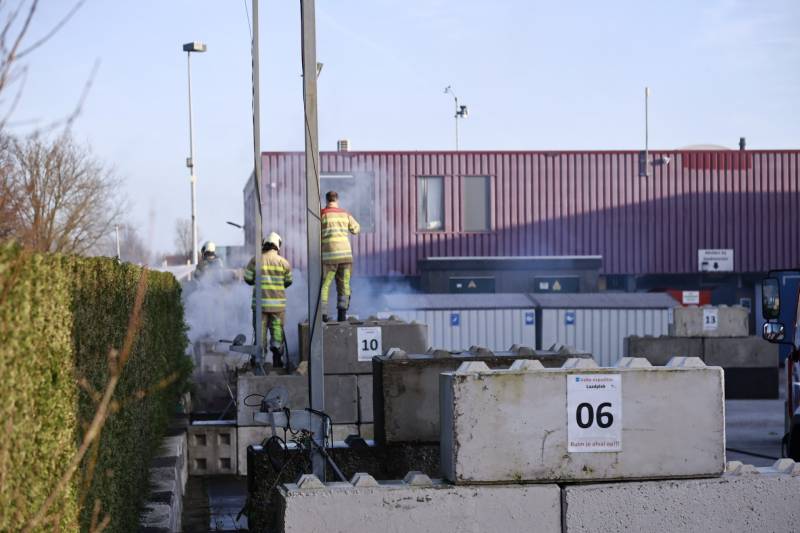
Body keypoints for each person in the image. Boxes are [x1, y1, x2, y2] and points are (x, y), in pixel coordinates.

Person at [244, 232, 292, 368]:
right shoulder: (284, 262)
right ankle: (277, 358)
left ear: (264, 244)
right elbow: (289, 281)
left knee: (260, 332)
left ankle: (259, 361)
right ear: (278, 246)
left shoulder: (256, 260)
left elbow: (247, 278)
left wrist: (257, 281)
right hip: (278, 306)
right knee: (277, 330)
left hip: (260, 306)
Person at [320, 190, 360, 322]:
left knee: (325, 285)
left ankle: (323, 316)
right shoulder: (345, 214)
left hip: (329, 257)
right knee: (344, 285)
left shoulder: (322, 214)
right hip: (345, 257)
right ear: (337, 200)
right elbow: (356, 229)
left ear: (326, 200)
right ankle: (342, 317)